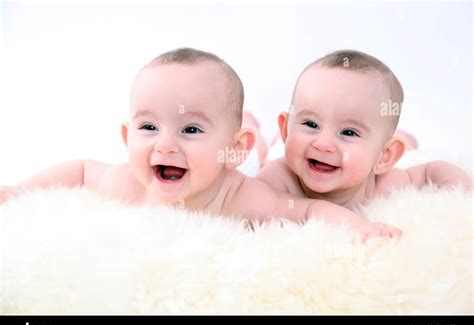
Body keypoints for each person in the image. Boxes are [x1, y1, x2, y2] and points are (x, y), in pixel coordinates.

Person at [0, 48, 402, 239]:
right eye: (148, 127)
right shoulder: (126, 182)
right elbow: (82, 170)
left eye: (191, 130)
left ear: (234, 149)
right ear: (126, 138)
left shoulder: (243, 197)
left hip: (245, 165)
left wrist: (358, 228)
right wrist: (20, 190)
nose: (166, 146)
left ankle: (260, 142)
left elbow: (309, 210)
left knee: (268, 163)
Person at [257, 50, 471, 210]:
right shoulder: (278, 179)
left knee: (408, 146)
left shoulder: (383, 185)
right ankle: (256, 131)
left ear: (384, 157)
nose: (322, 144)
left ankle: (404, 138)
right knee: (260, 149)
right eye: (311, 124)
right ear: (287, 130)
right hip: (277, 149)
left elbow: (432, 170)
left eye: (349, 132)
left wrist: (455, 192)